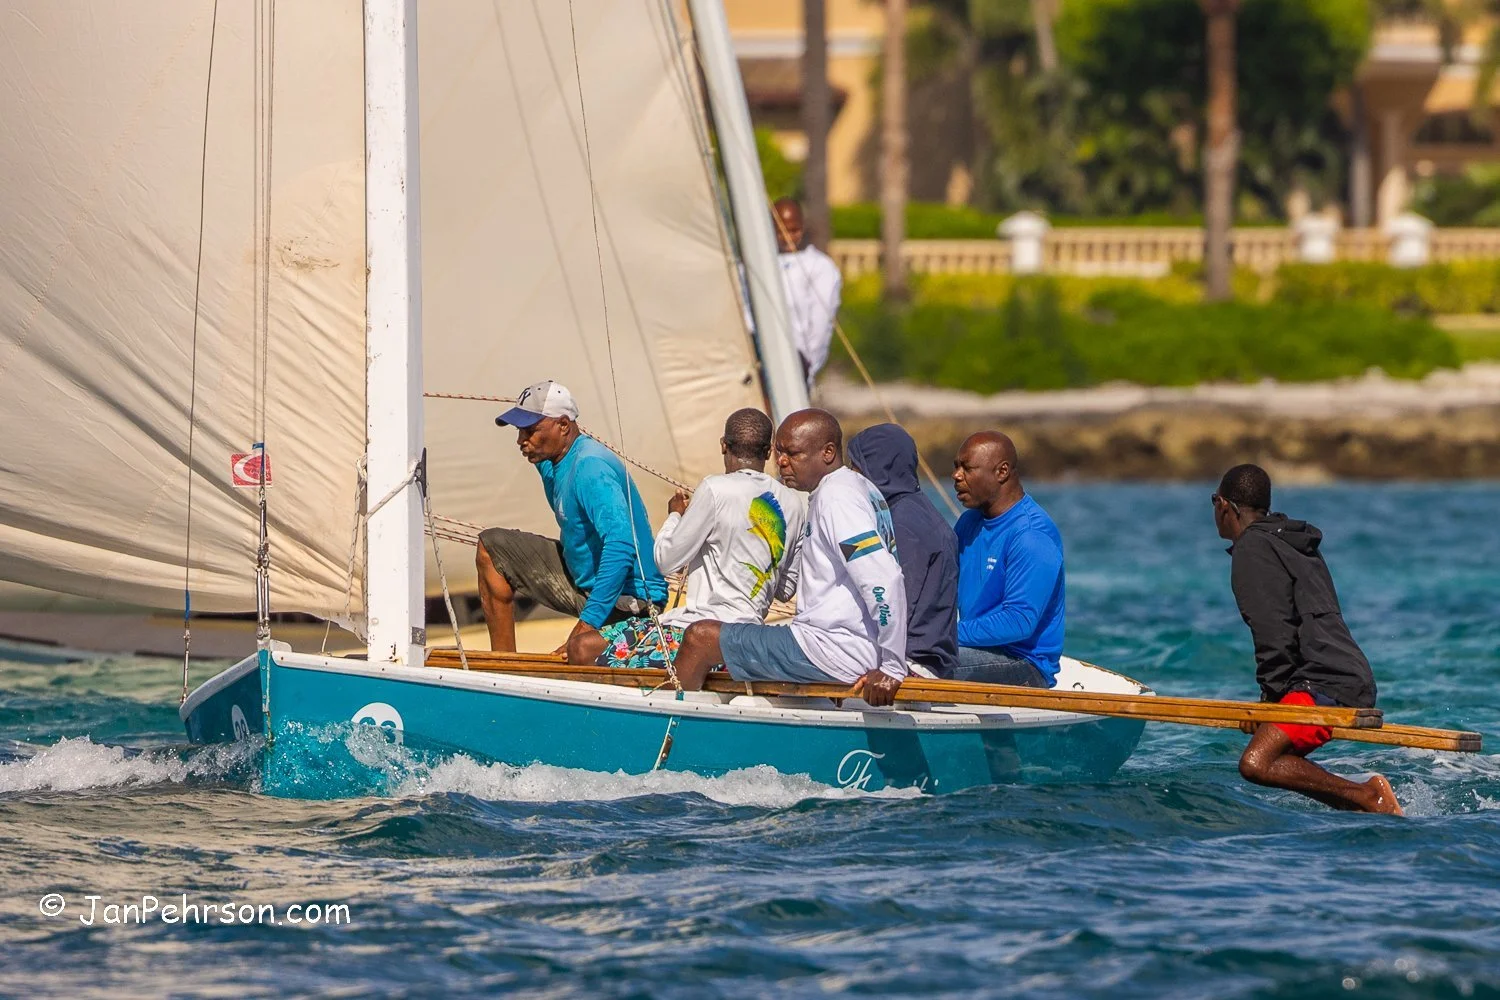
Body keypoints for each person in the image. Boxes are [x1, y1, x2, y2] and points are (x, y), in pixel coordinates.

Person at [667, 409, 907, 708]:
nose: (781, 462)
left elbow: (883, 578)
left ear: (828, 452)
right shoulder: (857, 486)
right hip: (836, 644)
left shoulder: (837, 499)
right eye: (779, 452)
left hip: (832, 651)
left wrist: (893, 667)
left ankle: (671, 729)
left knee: (700, 637)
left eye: (792, 453)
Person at [1212, 464, 1401, 815]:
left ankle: (1369, 797)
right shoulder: (1289, 542)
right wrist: (1272, 702)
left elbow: (1273, 630)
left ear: (1224, 505)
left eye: (1214, 501)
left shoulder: (1252, 547)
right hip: (1348, 676)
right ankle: (1365, 806)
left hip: (1322, 681)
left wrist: (1271, 701)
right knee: (1272, 757)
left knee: (1256, 763)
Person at [568, 408, 807, 668]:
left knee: (581, 648)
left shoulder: (715, 489)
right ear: (769, 452)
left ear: (723, 445)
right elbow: (785, 590)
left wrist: (675, 516)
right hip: (747, 638)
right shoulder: (794, 503)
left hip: (698, 632)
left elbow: (665, 561)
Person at [476, 380, 667, 654]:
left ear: (564, 425)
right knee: (492, 548)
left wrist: (586, 625)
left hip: (629, 603)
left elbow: (621, 545)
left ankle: (591, 634)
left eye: (530, 431)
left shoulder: (590, 467)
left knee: (578, 650)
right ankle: (502, 663)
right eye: (519, 431)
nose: (520, 440)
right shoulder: (551, 459)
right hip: (584, 582)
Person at [950, 431, 1064, 688]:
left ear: (1002, 472)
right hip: (976, 650)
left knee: (919, 661)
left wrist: (942, 635)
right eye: (956, 466)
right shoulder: (969, 522)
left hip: (1024, 665)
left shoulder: (1032, 535)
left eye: (967, 468)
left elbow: (1018, 621)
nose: (956, 476)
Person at [847, 423, 959, 678]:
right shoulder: (911, 509)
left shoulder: (903, 524)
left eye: (855, 467)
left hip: (914, 661)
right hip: (923, 653)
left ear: (877, 467)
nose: (851, 476)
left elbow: (898, 601)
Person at [774, 198, 843, 391]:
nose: (787, 237)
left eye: (793, 230)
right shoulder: (751, 265)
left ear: (803, 227)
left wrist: (808, 366)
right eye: (780, 231)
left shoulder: (820, 267)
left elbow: (821, 324)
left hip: (797, 364)